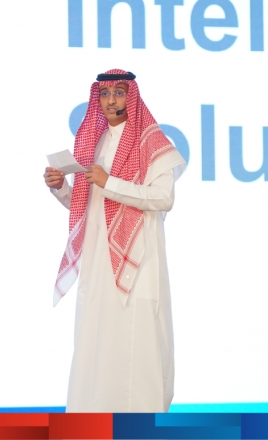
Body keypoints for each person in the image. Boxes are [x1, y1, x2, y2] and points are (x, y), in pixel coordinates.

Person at [44, 68, 186, 413]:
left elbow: (163, 197)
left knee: (136, 344)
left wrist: (110, 183)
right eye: (105, 94)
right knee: (97, 342)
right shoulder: (94, 143)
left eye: (119, 93)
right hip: (99, 262)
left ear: (131, 97)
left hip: (138, 260)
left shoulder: (152, 144)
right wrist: (60, 188)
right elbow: (89, 206)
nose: (111, 101)